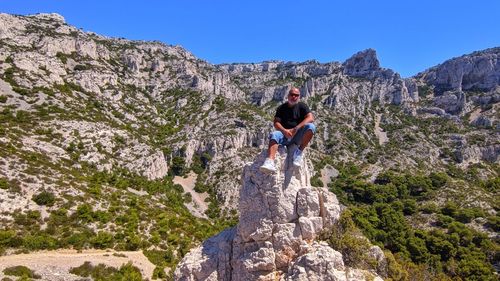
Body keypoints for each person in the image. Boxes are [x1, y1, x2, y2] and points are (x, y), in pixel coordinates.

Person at [260, 87, 316, 173]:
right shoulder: (281, 108)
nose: (294, 97)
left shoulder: (302, 106)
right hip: (284, 135)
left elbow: (311, 118)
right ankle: (270, 161)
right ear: (288, 95)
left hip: (297, 136)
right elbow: (276, 123)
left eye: (296, 95)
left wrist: (296, 128)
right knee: (274, 134)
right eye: (292, 94)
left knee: (311, 127)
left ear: (299, 96)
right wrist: (284, 131)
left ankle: (299, 152)